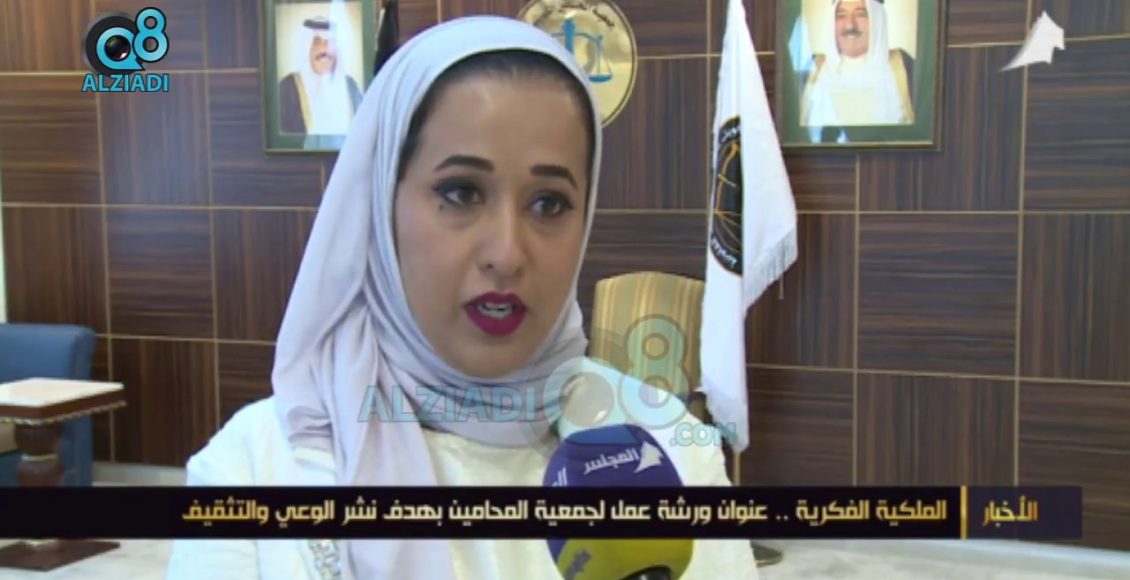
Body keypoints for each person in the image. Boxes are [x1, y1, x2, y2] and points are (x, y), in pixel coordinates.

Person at [166, 15, 759, 580]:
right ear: (382, 206)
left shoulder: (667, 449)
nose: (507, 252)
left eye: (549, 203)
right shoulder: (260, 467)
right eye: (461, 192)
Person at [800, 0, 915, 128]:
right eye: (841, 16)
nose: (850, 25)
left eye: (860, 14)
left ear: (877, 20)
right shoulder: (811, 71)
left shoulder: (903, 69)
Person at [278, 15, 364, 136]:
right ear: (306, 48)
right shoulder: (288, 88)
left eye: (330, 42)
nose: (325, 50)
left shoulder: (350, 86)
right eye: (317, 42)